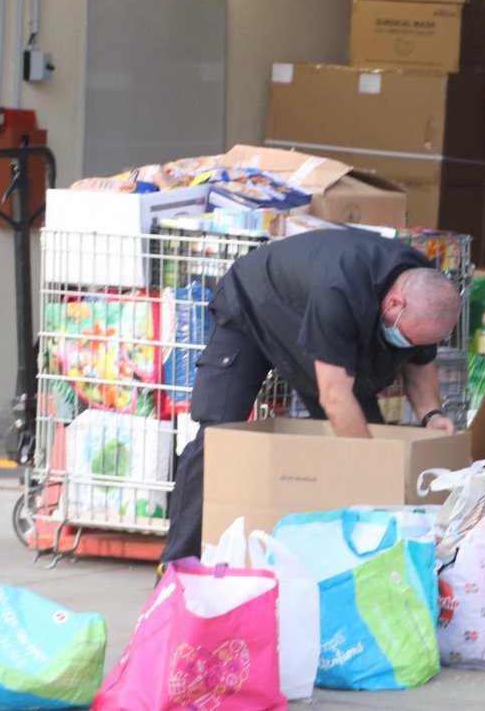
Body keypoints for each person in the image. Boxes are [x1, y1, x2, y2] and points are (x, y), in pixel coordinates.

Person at [160, 228, 461, 565]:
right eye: (407, 337)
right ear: (394, 303)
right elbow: (335, 399)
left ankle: (351, 565)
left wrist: (431, 415)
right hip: (251, 306)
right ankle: (175, 567)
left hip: (310, 324)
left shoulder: (423, 288)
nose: (409, 346)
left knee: (363, 433)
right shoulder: (340, 289)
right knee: (217, 437)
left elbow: (420, 364)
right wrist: (374, 466)